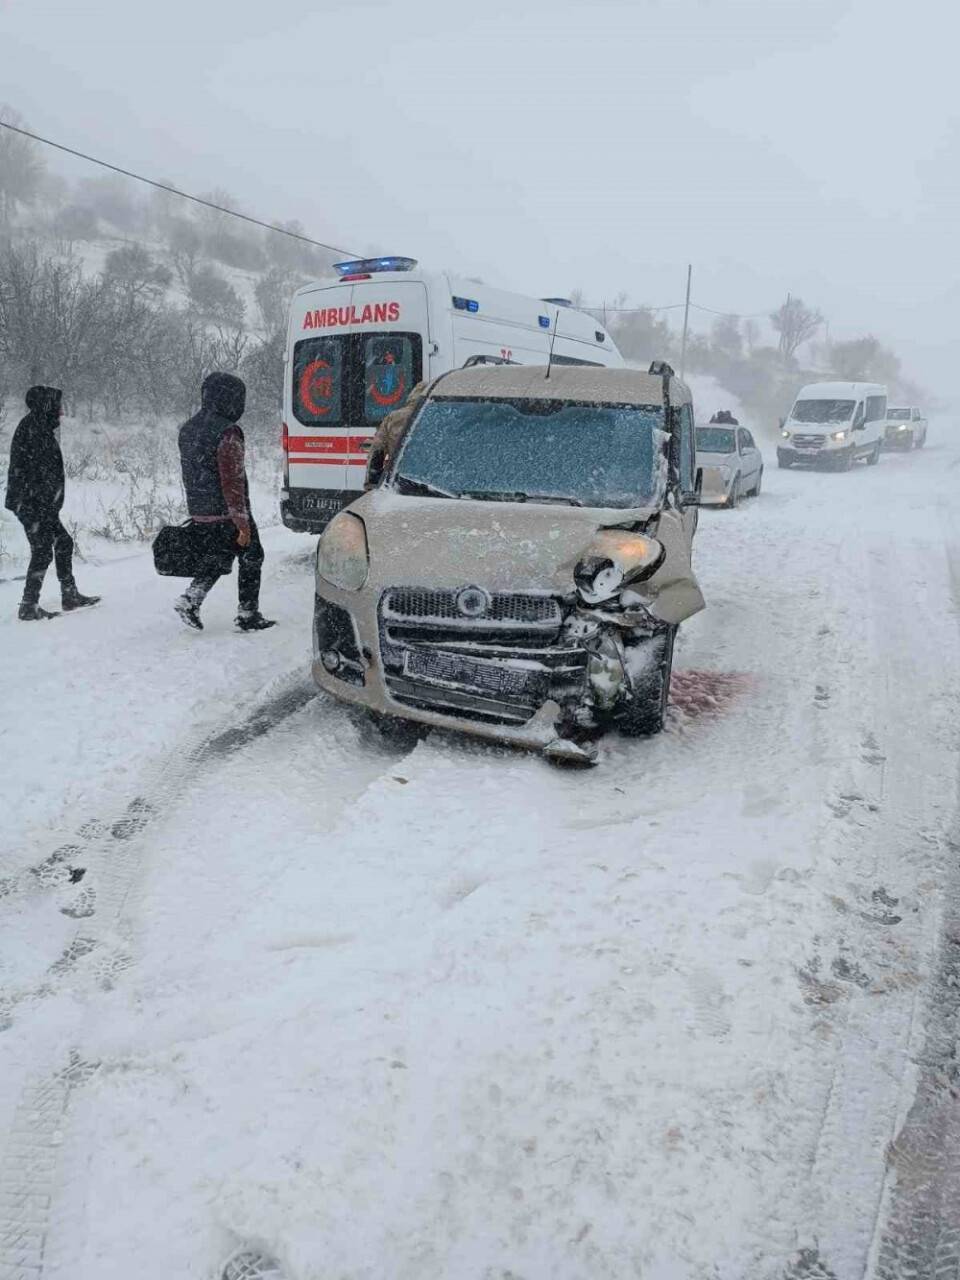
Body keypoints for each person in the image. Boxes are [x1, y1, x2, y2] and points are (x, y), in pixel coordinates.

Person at [174, 372, 275, 632]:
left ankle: (191, 599)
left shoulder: (188, 428)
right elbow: (233, 478)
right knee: (253, 556)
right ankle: (248, 614)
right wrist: (241, 521)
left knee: (219, 554)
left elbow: (193, 471)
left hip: (200, 508)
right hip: (227, 509)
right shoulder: (227, 431)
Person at [4, 385, 100, 621]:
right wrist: (45, 508)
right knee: (43, 550)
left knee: (63, 543)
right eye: (57, 407)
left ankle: (69, 595)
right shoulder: (34, 431)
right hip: (32, 504)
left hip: (36, 504)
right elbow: (37, 476)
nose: (61, 413)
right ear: (46, 406)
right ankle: (28, 606)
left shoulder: (38, 427)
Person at [364, 379, 431, 489]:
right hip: (429, 484)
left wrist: (372, 482)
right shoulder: (437, 417)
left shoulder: (394, 417)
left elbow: (377, 451)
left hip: (398, 480)